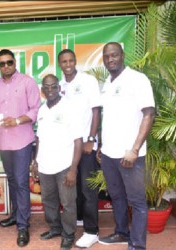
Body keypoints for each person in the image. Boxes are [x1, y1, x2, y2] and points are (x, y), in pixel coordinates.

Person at [98, 42, 155, 250]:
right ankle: (122, 232)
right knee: (117, 196)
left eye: (114, 55)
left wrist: (135, 149)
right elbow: (109, 118)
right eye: (106, 56)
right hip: (108, 154)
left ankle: (138, 245)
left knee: (137, 201)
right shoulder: (108, 82)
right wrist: (101, 147)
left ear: (122, 55)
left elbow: (149, 113)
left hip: (130, 155)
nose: (110, 59)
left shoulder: (137, 79)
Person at [0, 49, 41, 247]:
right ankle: (17, 215)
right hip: (3, 142)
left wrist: (17, 120)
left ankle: (23, 226)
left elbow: (35, 109)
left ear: (15, 62)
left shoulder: (27, 82)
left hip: (22, 141)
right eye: (2, 63)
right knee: (12, 180)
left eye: (9, 62)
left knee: (21, 182)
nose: (6, 66)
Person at [31, 74, 83, 250]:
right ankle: (54, 228)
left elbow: (78, 140)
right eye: (47, 87)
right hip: (45, 165)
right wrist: (36, 161)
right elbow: (39, 138)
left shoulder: (69, 107)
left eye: (54, 86)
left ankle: (68, 235)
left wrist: (73, 169)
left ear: (59, 88)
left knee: (68, 203)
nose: (51, 90)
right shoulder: (42, 110)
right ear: (42, 90)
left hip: (64, 166)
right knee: (48, 200)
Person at [58, 49, 101, 248]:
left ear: (76, 62)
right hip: (67, 147)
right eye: (64, 61)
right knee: (73, 187)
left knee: (88, 188)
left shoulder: (88, 81)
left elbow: (95, 110)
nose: (67, 64)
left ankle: (92, 231)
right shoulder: (59, 86)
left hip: (85, 145)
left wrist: (91, 139)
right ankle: (80, 219)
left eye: (71, 60)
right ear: (60, 64)